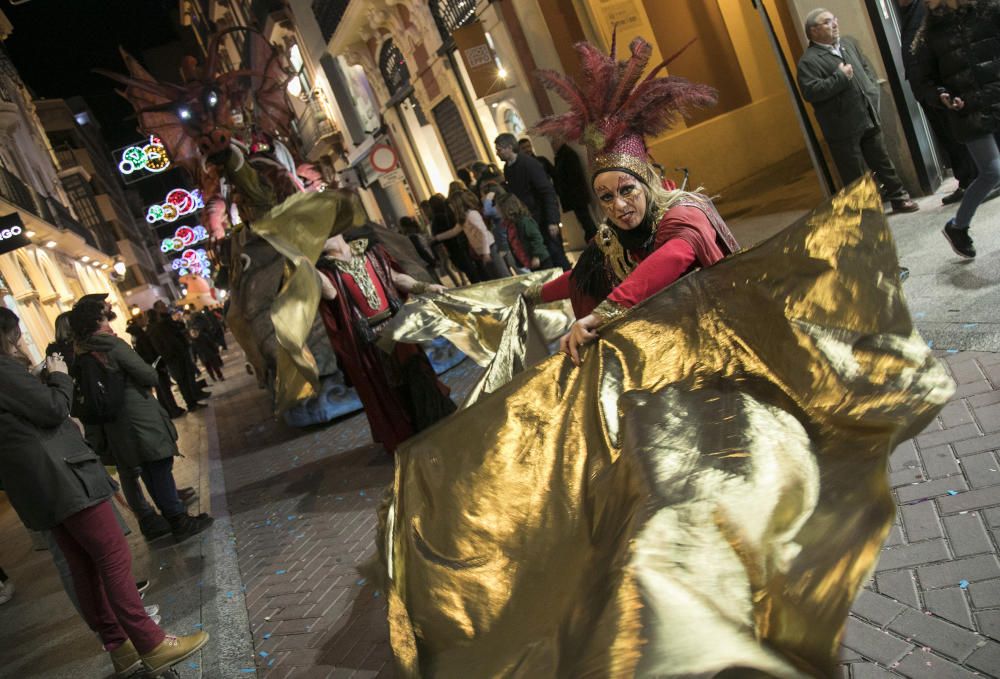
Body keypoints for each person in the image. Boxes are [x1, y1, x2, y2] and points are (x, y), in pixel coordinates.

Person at [0, 307, 208, 676]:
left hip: (37, 483)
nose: (18, 341)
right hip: (63, 476)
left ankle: (120, 646)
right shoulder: (4, 371)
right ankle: (152, 642)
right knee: (112, 557)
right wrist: (59, 378)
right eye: (13, 334)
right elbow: (51, 409)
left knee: (83, 566)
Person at [530, 37, 737, 365]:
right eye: (606, 197)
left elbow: (672, 256)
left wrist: (598, 316)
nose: (618, 206)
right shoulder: (612, 238)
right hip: (673, 351)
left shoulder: (683, 213)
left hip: (721, 340)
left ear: (647, 181)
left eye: (627, 190)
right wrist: (531, 295)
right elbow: (583, 276)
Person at [69, 299, 214, 543]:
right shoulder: (112, 344)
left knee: (148, 469)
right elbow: (148, 375)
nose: (108, 319)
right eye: (104, 316)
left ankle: (171, 517)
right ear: (97, 321)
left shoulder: (82, 349)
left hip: (120, 425)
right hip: (139, 417)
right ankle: (179, 519)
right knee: (159, 466)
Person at [316, 227, 456, 453]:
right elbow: (331, 293)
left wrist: (427, 287)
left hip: (397, 328)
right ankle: (416, 440)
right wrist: (302, 263)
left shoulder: (372, 252)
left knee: (420, 378)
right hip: (369, 340)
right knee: (393, 390)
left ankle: (440, 428)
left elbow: (397, 278)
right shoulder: (324, 270)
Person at [796, 8, 920, 213]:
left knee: (882, 160)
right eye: (827, 22)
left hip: (867, 114)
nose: (834, 24)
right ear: (814, 31)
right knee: (855, 173)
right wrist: (840, 77)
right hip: (842, 126)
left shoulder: (847, 44)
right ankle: (867, 211)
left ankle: (899, 197)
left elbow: (865, 67)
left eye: (834, 19)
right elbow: (811, 92)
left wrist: (871, 90)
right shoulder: (809, 61)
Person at [911, 0, 1000, 258]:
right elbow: (925, 81)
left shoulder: (989, 10)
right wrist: (942, 95)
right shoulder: (929, 33)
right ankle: (957, 227)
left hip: (996, 97)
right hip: (967, 110)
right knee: (993, 171)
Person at [897, 0, 977, 204]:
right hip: (927, 90)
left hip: (939, 88)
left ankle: (972, 180)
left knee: (955, 137)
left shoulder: (924, 10)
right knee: (948, 138)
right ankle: (967, 180)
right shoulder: (908, 12)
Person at [495, 132, 571, 270]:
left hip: (542, 218)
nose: (497, 153)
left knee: (557, 256)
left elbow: (547, 191)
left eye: (499, 149)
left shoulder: (529, 163)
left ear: (509, 147)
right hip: (529, 220)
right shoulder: (507, 168)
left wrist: (552, 220)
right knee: (544, 262)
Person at [436, 182, 507, 281]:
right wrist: (437, 238)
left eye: (451, 205)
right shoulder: (464, 217)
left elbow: (483, 232)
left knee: (502, 275)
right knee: (494, 277)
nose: (450, 207)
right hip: (482, 251)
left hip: (490, 248)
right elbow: (454, 231)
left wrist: (486, 253)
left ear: (457, 204)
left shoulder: (471, 215)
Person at [146, 301, 206, 410]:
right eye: (162, 307)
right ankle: (191, 404)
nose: (164, 308)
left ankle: (193, 402)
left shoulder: (161, 325)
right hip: (174, 358)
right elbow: (165, 344)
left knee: (186, 380)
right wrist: (172, 354)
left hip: (176, 356)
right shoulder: (157, 328)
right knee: (183, 382)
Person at [126, 311, 185, 419]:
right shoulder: (140, 335)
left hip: (151, 366)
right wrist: (159, 365)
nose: (145, 320)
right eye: (143, 318)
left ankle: (168, 410)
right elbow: (149, 352)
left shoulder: (135, 335)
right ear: (138, 320)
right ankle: (173, 410)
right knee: (164, 389)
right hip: (154, 365)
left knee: (161, 390)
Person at [552, 139, 600, 242]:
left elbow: (573, 176)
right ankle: (593, 241)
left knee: (586, 221)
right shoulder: (561, 156)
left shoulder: (567, 155)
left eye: (553, 144)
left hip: (576, 196)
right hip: (575, 196)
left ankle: (595, 242)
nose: (552, 147)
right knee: (584, 221)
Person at [429, 193, 478, 285]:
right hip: (462, 244)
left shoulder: (438, 219)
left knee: (471, 273)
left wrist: (434, 240)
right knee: (473, 271)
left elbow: (452, 232)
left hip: (454, 248)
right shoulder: (451, 213)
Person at [496, 192, 552, 271]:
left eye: (499, 209)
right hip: (530, 261)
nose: (497, 212)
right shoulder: (510, 225)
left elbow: (536, 238)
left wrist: (537, 256)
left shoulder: (523, 221)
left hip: (540, 261)